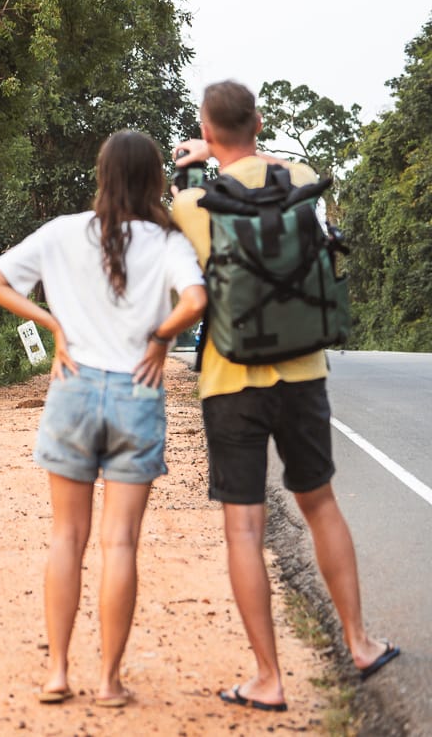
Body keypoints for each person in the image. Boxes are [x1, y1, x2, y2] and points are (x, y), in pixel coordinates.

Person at [171, 80, 399, 713]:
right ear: (261, 121)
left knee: (244, 528)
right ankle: (359, 642)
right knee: (320, 502)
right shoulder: (300, 176)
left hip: (229, 380)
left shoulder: (194, 203)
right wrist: (233, 148)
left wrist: (192, 162)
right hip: (302, 371)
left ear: (208, 132)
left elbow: (183, 246)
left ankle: (268, 679)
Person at [0, 130, 207, 708]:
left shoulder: (61, 233)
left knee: (66, 537)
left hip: (74, 390)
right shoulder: (166, 241)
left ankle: (57, 673)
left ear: (102, 176)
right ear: (156, 180)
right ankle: (108, 681)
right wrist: (160, 337)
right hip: (137, 390)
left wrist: (56, 326)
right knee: (121, 542)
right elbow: (196, 301)